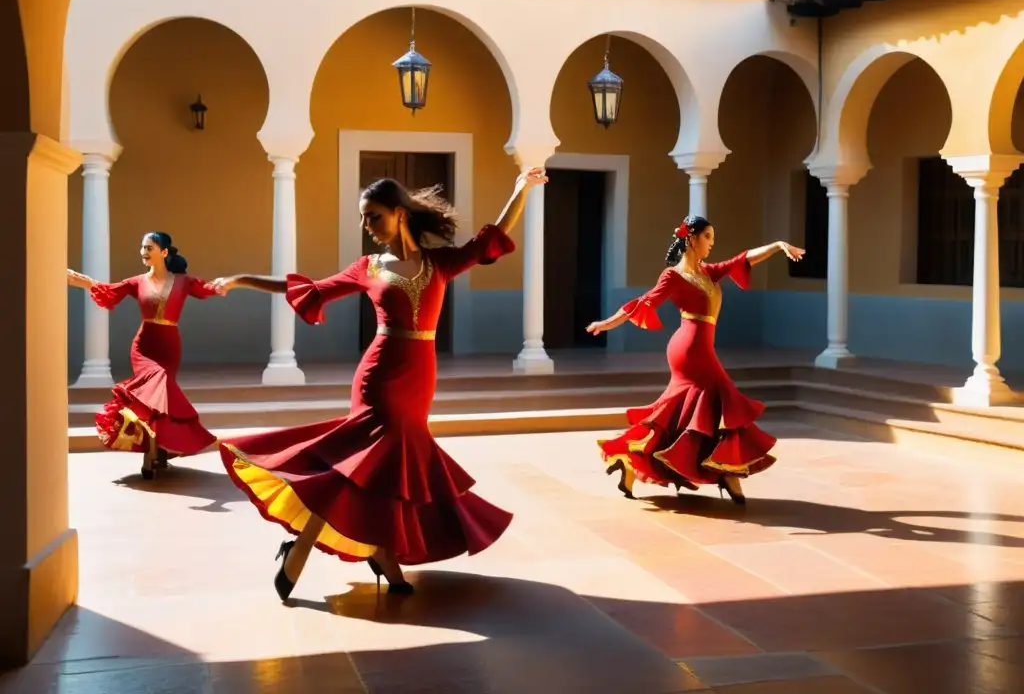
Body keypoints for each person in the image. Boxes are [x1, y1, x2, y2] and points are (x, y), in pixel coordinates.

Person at [211, 168, 547, 599]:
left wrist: (519, 189)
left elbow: (491, 239)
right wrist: (242, 280)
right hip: (379, 377)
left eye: (373, 216)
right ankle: (303, 551)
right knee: (357, 466)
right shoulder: (367, 268)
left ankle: (381, 551)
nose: (366, 226)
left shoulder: (439, 263)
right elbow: (309, 289)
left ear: (400, 214)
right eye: (363, 218)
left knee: (391, 468)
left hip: (419, 378)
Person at [586, 215, 805, 505]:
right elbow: (644, 302)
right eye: (708, 237)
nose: (712, 244)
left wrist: (777, 246)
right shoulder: (672, 276)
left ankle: (631, 459)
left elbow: (743, 259)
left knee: (681, 413)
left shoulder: (708, 273)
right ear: (691, 238)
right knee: (724, 400)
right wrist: (607, 323)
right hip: (689, 350)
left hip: (702, 347)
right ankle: (728, 475)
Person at [66, 232, 224, 479]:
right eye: (142, 247)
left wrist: (231, 283)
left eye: (149, 247)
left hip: (169, 346)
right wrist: (78, 280)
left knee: (160, 399)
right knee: (153, 392)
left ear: (164, 252)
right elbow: (107, 289)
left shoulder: (184, 282)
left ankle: (156, 453)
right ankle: (152, 455)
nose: (144, 252)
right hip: (144, 346)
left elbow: (209, 289)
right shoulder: (136, 281)